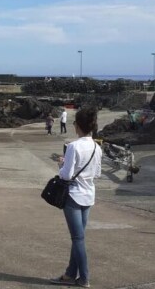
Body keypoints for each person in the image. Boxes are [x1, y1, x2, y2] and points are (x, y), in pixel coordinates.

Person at [50, 106, 102, 288]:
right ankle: (70, 274)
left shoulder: (73, 146)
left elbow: (65, 175)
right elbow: (97, 174)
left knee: (78, 239)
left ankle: (85, 278)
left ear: (77, 125)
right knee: (78, 237)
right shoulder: (97, 147)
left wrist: (61, 163)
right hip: (89, 195)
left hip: (73, 196)